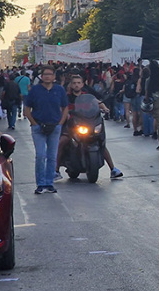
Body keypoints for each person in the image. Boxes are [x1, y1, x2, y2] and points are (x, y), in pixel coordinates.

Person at [56, 73, 123, 180]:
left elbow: (98, 103)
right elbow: (61, 108)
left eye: (79, 83)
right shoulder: (66, 97)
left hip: (88, 124)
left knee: (100, 142)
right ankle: (56, 170)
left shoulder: (87, 96)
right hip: (71, 126)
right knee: (62, 142)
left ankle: (113, 169)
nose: (76, 85)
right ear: (71, 85)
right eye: (74, 83)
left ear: (82, 84)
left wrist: (104, 108)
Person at [23, 65, 68, 194]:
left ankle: (49, 183)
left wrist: (60, 123)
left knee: (52, 156)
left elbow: (65, 107)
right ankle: (40, 183)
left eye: (50, 74)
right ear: (41, 76)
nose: (47, 77)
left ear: (54, 77)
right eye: (45, 74)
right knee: (40, 155)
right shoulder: (35, 90)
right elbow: (27, 109)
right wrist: (34, 124)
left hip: (54, 127)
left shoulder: (59, 90)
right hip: (39, 127)